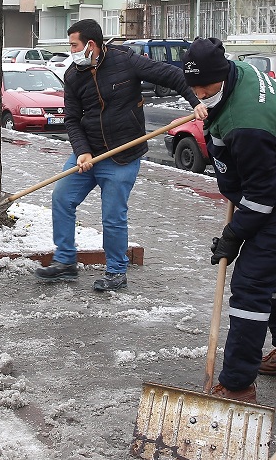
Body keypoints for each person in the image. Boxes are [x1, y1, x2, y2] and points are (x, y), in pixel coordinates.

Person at [182, 38, 276, 403]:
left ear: (223, 75)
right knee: (275, 272)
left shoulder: (248, 121)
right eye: (194, 88)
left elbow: (262, 198)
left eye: (206, 87)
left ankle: (237, 385)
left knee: (251, 281)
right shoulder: (236, 74)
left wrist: (234, 234)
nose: (200, 94)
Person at [40, 19, 207, 292]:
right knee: (62, 198)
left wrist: (195, 102)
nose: (71, 51)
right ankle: (65, 261)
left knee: (112, 214)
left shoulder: (126, 61)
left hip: (123, 154)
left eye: (74, 45)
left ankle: (116, 271)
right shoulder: (73, 75)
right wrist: (82, 151)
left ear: (90, 45)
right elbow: (71, 119)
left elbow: (173, 76)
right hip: (90, 153)